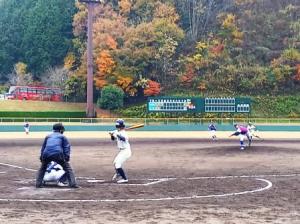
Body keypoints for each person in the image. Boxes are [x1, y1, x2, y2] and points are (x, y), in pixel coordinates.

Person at [36, 123, 78, 188]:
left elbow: (43, 147)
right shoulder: (62, 137)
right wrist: (66, 157)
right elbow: (66, 147)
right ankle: (73, 184)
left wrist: (42, 157)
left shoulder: (48, 136)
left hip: (46, 153)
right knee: (68, 168)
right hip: (57, 153)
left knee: (42, 168)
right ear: (60, 130)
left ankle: (38, 184)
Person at [109, 119, 132, 184]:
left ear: (121, 126)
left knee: (118, 164)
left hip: (126, 151)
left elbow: (123, 139)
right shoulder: (117, 131)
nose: (117, 127)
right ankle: (119, 173)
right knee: (115, 163)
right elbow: (113, 139)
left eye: (118, 126)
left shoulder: (124, 133)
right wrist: (111, 135)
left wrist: (117, 134)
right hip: (122, 151)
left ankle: (125, 179)